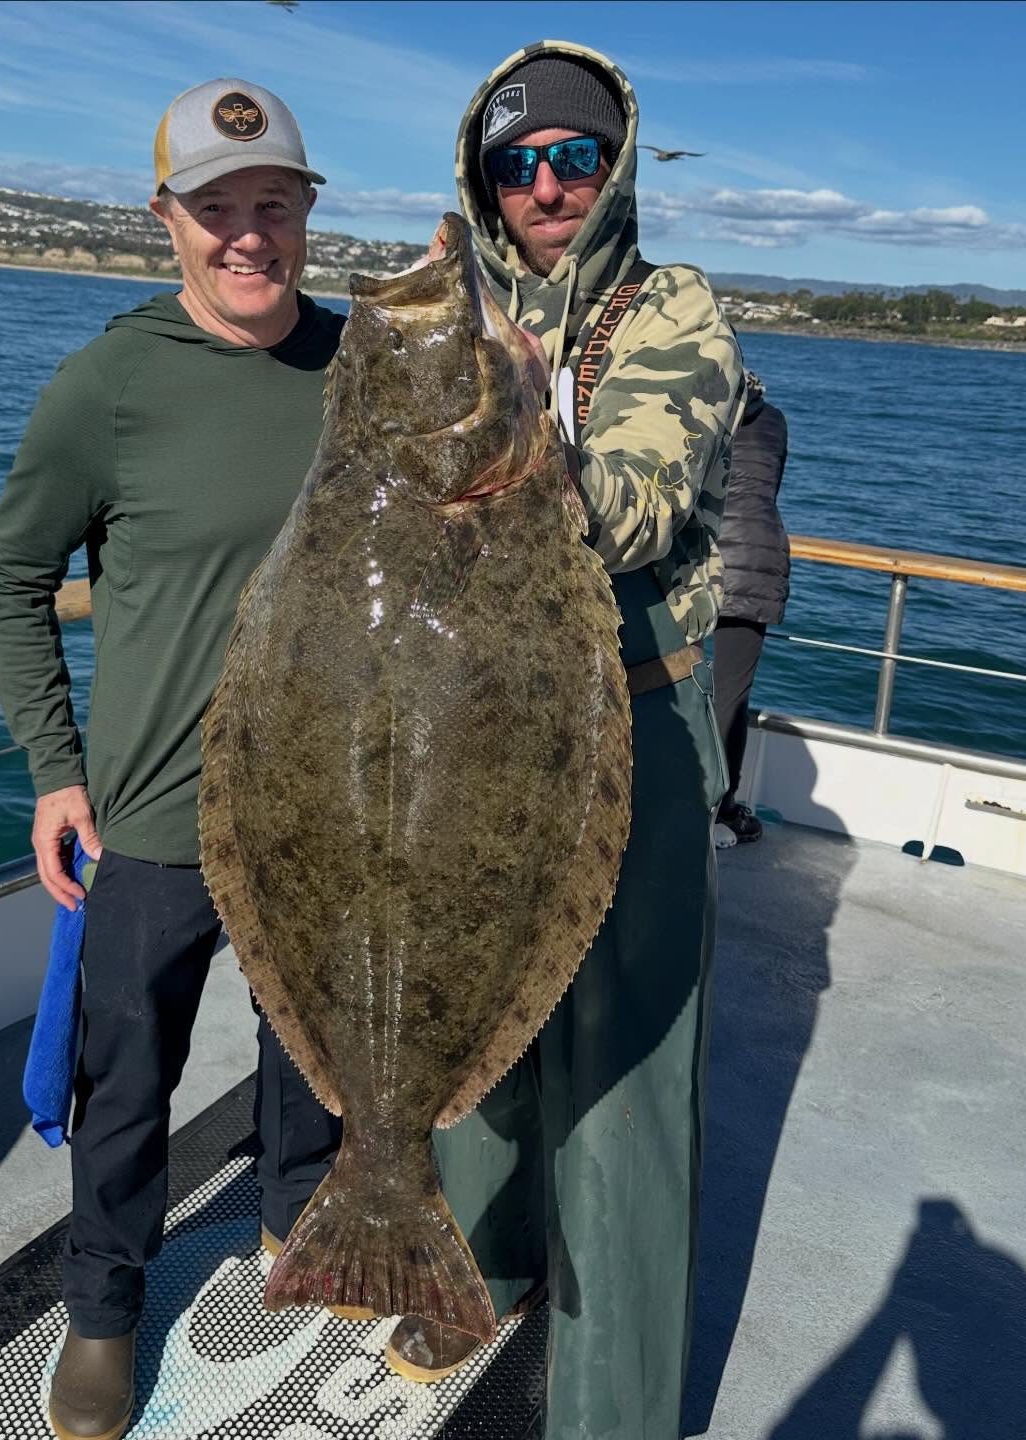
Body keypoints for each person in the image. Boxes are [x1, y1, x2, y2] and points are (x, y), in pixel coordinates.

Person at [380, 42, 746, 1440]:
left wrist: (506, 409)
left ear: (618, 169)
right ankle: (481, 1269)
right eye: (516, 162)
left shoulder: (677, 313)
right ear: (481, 179)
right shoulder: (445, 305)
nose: (546, 184)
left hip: (633, 730)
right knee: (476, 1041)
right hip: (462, 731)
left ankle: (619, 1408)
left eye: (575, 158)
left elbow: (643, 503)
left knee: (622, 1086)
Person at [0, 78, 344, 1440]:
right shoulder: (109, 384)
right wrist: (55, 769)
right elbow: (12, 576)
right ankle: (104, 1315)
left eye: (272, 205)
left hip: (325, 813)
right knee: (124, 1086)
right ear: (166, 220)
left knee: (317, 1056)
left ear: (306, 215)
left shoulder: (361, 370)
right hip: (150, 816)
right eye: (216, 210)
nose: (247, 236)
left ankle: (297, 1231)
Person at [710, 371, 790, 845]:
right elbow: (767, 484)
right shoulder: (775, 419)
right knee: (731, 696)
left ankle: (666, 795)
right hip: (759, 558)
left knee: (662, 680)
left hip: (705, 559)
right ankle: (723, 808)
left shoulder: (696, 409)